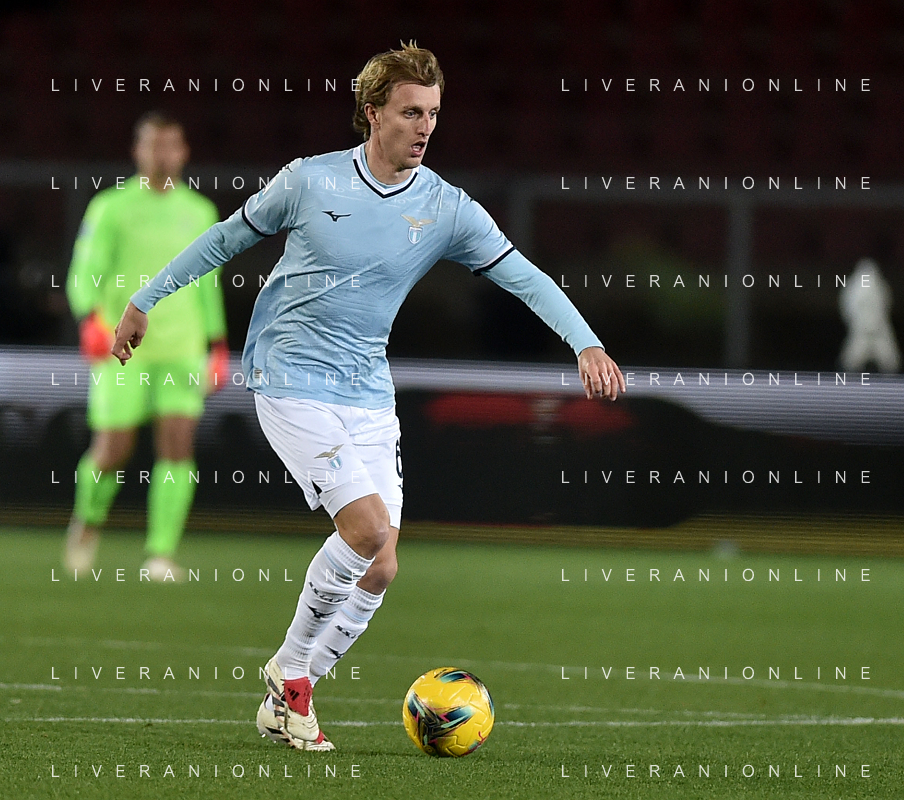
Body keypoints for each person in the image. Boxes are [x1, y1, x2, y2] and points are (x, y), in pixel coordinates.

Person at [110, 43, 625, 751]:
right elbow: (223, 241)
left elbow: (523, 275)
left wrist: (585, 343)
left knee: (381, 565)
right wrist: (145, 299)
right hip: (289, 378)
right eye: (411, 112)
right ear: (373, 111)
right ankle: (290, 676)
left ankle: (291, 693)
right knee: (365, 530)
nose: (425, 127)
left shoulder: (444, 207)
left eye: (433, 113)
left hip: (366, 392)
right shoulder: (309, 181)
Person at [64, 111, 229, 580]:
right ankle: (87, 523)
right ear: (138, 151)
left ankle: (160, 553)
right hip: (122, 346)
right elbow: (84, 272)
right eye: (154, 145)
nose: (162, 155)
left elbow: (208, 284)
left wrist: (217, 344)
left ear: (184, 152)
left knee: (177, 448)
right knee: (112, 449)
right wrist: (90, 320)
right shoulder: (110, 208)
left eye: (170, 145)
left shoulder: (200, 211)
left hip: (182, 346)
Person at [839, 257, 901, 373]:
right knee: (852, 359)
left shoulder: (880, 287)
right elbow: (848, 307)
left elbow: (885, 304)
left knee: (889, 360)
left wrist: (878, 321)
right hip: (861, 329)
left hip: (878, 328)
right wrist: (855, 323)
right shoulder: (854, 289)